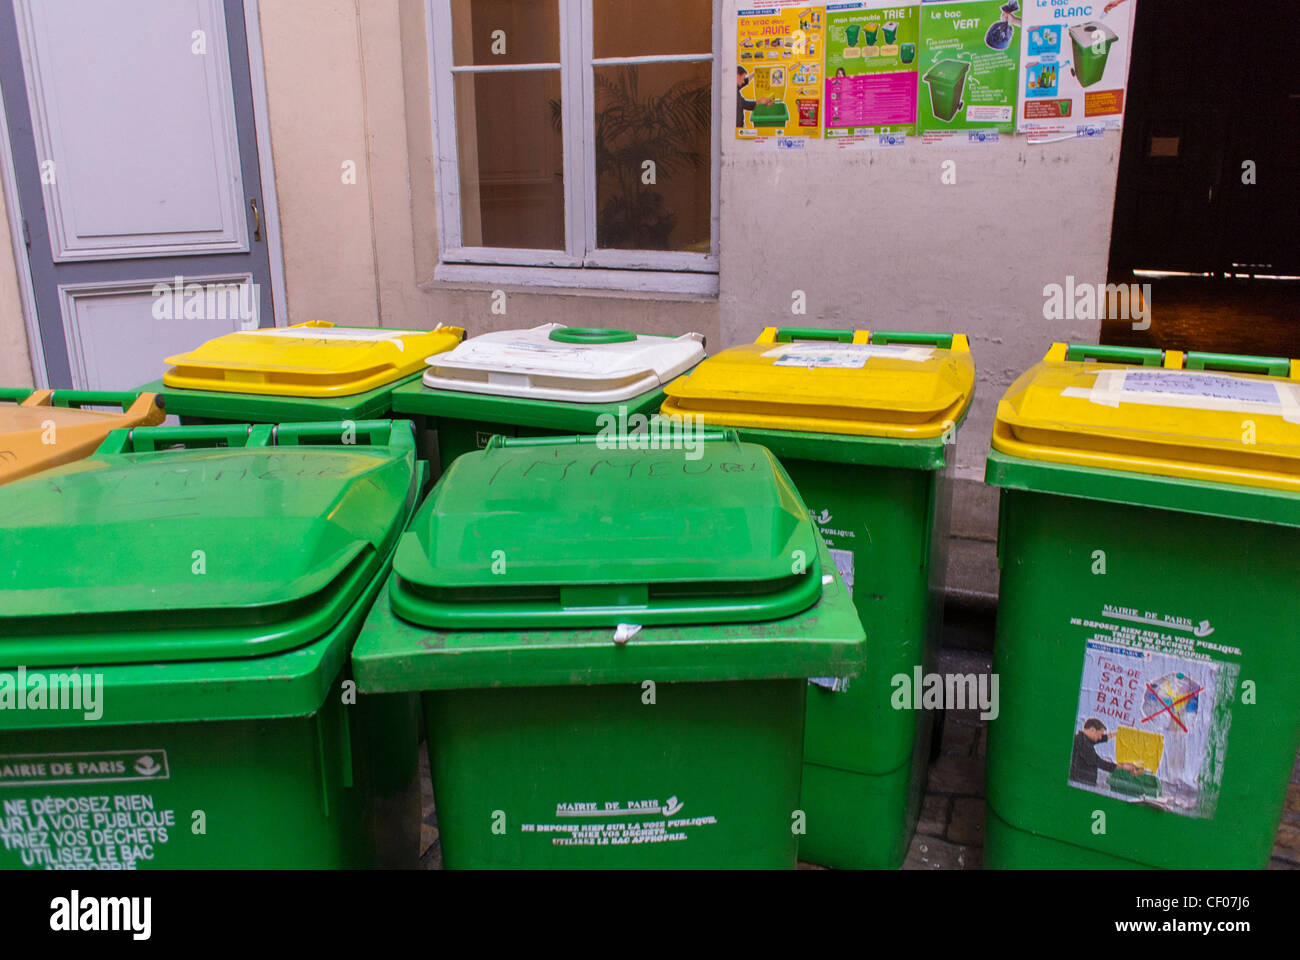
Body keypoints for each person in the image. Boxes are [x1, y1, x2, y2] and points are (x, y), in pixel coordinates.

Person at [1070, 718, 1137, 785]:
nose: (1100, 737)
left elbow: (1099, 739)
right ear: (1092, 730)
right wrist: (1122, 766)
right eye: (1099, 734)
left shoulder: (1080, 739)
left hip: (1080, 781)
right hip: (1080, 782)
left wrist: (1116, 734)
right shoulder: (1083, 743)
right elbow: (1099, 762)